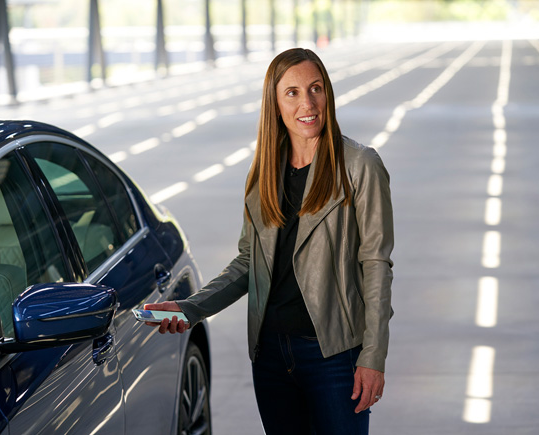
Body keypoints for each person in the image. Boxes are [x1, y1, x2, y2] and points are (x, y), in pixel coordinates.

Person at [145, 47, 394, 435]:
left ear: (328, 92)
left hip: (334, 353)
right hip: (271, 355)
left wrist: (373, 355)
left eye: (315, 88)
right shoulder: (264, 173)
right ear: (275, 104)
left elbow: (376, 264)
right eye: (292, 92)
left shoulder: (360, 166)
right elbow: (249, 262)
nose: (307, 103)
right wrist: (192, 307)